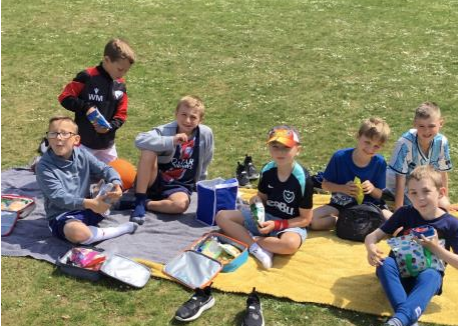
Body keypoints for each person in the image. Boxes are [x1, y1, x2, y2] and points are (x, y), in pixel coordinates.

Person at [364, 166, 458, 326]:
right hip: (398, 273)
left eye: (426, 191)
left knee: (432, 275)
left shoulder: (451, 224)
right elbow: (373, 236)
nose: (420, 198)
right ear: (408, 194)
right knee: (384, 264)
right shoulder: (405, 213)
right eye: (413, 192)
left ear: (441, 193)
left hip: (426, 279)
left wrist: (436, 249)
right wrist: (371, 249)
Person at [215, 125, 314, 270]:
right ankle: (256, 248)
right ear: (269, 148)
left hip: (289, 224)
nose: (280, 152)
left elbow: (305, 219)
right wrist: (256, 202)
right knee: (222, 216)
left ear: (297, 150)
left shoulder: (303, 179)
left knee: (289, 244)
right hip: (265, 217)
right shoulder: (268, 170)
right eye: (275, 147)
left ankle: (250, 239)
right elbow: (261, 197)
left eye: (286, 147)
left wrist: (277, 225)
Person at [35, 116, 138, 244]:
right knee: (78, 233)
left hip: (89, 206)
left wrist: (117, 184)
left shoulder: (82, 154)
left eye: (65, 133)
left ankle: (105, 207)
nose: (58, 137)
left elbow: (105, 169)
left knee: (111, 186)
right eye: (53, 133)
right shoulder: (44, 166)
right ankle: (119, 229)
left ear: (76, 139)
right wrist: (91, 203)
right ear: (48, 138)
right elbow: (59, 197)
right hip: (63, 214)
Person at [127, 95, 215, 225]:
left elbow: (206, 159)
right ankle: (140, 198)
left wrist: (200, 184)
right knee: (148, 152)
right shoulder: (166, 130)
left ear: (200, 120)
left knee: (180, 206)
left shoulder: (205, 134)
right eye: (184, 115)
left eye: (193, 117)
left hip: (180, 185)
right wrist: (171, 141)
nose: (187, 120)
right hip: (156, 179)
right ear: (176, 114)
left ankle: (144, 204)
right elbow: (139, 140)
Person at [58, 38, 135, 168]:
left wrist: (109, 127)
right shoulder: (87, 76)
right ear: (107, 60)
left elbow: (121, 114)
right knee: (77, 179)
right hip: (83, 143)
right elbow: (64, 97)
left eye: (126, 71)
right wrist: (86, 107)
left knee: (115, 177)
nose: (122, 74)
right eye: (120, 69)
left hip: (107, 146)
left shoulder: (120, 85)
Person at [310, 117, 392, 230]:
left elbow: (379, 194)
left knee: (395, 223)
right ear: (358, 137)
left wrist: (372, 189)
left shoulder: (380, 162)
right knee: (313, 220)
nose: (370, 149)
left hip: (371, 205)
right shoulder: (340, 157)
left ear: (381, 146)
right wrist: (343, 188)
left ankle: (363, 222)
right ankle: (343, 221)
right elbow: (325, 185)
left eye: (376, 146)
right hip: (341, 204)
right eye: (367, 142)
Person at [387, 102, 453, 209]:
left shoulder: (442, 142)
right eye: (421, 126)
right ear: (415, 124)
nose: (426, 131)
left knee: (443, 207)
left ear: (440, 123)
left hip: (422, 183)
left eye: (431, 126)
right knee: (420, 208)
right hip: (401, 185)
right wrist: (398, 212)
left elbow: (442, 174)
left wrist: (445, 199)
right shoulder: (404, 144)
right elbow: (400, 179)